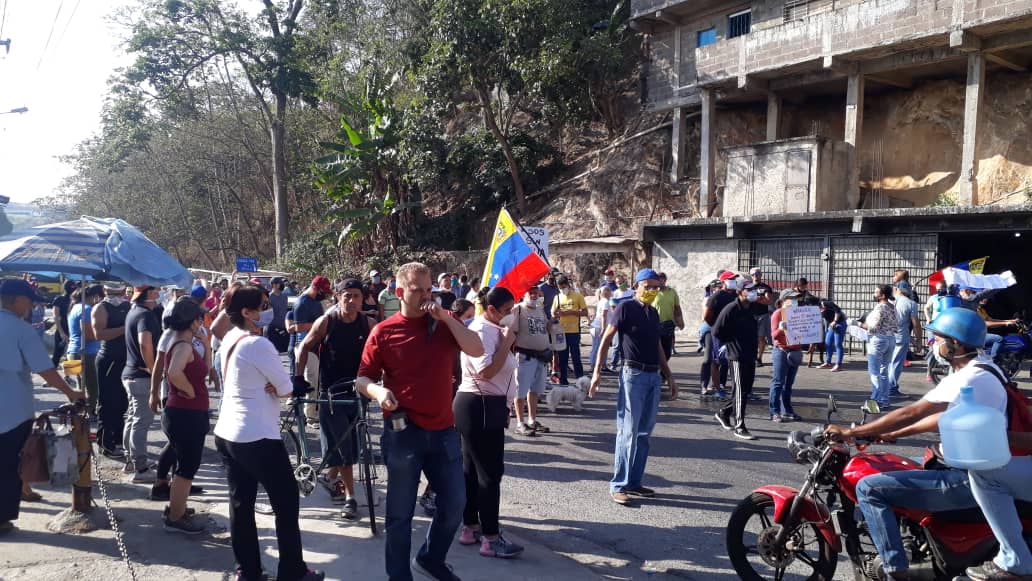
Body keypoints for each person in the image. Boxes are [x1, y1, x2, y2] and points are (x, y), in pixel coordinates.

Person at [825, 308, 1007, 581]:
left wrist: (853, 432)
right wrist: (892, 433)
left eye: (938, 339)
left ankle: (894, 570)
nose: (934, 344)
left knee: (869, 488)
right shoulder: (987, 368)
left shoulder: (968, 377)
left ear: (955, 344)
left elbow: (913, 411)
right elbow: (943, 418)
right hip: (980, 469)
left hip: (968, 479)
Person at [356, 262, 484, 581]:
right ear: (400, 292)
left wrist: (447, 318)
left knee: (455, 503)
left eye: (430, 289)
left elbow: (477, 349)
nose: (427, 296)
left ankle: (430, 558)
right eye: (418, 290)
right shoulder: (383, 332)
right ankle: (399, 576)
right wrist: (378, 390)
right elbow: (362, 379)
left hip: (443, 431)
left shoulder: (443, 324)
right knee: (400, 515)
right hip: (403, 433)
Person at [213, 285, 324, 581]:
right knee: (286, 504)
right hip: (256, 436)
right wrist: (279, 387)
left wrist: (275, 386)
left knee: (241, 503)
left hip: (228, 432)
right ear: (247, 313)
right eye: (263, 305)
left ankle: (248, 570)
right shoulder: (258, 345)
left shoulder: (230, 338)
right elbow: (287, 388)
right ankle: (293, 571)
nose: (268, 308)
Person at [0, 280, 85, 535]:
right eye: (29, 300)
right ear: (16, 300)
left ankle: (15, 500)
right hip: (13, 408)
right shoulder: (21, 329)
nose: (32, 305)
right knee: (9, 464)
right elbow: (45, 369)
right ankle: (2, 517)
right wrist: (71, 392)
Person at [589, 268, 678, 506]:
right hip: (633, 374)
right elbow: (606, 338)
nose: (651, 291)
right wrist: (597, 371)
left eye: (655, 287)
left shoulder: (653, 314)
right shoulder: (625, 308)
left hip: (652, 376)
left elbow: (658, 345)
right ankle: (618, 485)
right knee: (627, 432)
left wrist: (668, 375)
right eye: (646, 286)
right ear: (636, 285)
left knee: (644, 434)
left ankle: (634, 482)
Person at [295, 279, 375, 520]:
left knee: (352, 443)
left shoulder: (368, 324)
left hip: (359, 391)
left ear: (363, 299)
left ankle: (329, 478)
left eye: (356, 296)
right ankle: (351, 498)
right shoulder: (326, 322)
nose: (351, 301)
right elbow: (304, 347)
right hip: (330, 394)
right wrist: (298, 378)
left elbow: (381, 353)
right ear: (338, 297)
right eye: (346, 295)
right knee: (343, 446)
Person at [454, 287, 524, 558]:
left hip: (485, 405)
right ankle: (491, 538)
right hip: (479, 404)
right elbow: (486, 370)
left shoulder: (492, 328)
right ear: (491, 309)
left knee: (473, 471)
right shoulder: (483, 330)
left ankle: (470, 527)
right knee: (490, 474)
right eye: (507, 312)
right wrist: (507, 342)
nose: (510, 317)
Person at [153, 299, 210, 535]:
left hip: (188, 412)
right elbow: (173, 373)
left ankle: (178, 508)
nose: (202, 322)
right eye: (199, 318)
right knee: (187, 467)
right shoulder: (183, 346)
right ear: (192, 321)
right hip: (185, 413)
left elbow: (205, 369)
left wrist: (207, 345)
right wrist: (188, 389)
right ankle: (176, 516)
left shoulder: (185, 342)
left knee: (187, 465)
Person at [122, 285, 162, 482]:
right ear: (149, 294)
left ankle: (131, 460)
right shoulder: (145, 315)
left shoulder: (133, 312)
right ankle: (141, 467)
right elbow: (145, 342)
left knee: (132, 417)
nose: (160, 292)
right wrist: (153, 368)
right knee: (141, 420)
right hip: (141, 375)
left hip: (130, 373)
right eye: (156, 289)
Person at [712, 278, 760, 440]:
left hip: (750, 354)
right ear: (740, 292)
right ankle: (740, 426)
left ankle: (724, 412)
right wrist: (730, 342)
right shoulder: (731, 308)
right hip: (737, 355)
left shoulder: (752, 308)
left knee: (745, 391)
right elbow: (717, 331)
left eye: (754, 289)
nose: (753, 292)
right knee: (739, 391)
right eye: (750, 289)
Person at [92, 283, 131, 458]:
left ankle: (117, 440)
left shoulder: (128, 306)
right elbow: (99, 334)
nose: (116, 294)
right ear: (105, 292)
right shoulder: (100, 308)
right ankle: (105, 443)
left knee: (123, 402)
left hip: (126, 360)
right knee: (108, 402)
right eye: (112, 291)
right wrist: (125, 329)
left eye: (119, 291)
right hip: (108, 360)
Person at [511, 286, 553, 437]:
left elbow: (546, 329)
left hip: (541, 356)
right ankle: (520, 423)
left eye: (536, 292)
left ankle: (532, 420)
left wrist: (553, 319)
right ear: (524, 294)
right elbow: (511, 332)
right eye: (531, 292)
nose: (534, 295)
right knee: (520, 391)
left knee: (535, 391)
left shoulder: (540, 309)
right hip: (524, 356)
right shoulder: (518, 310)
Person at [293, 276, 331, 426]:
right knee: (311, 382)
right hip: (305, 347)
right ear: (316, 287)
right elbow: (299, 327)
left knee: (318, 381)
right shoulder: (302, 303)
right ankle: (310, 417)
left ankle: (316, 412)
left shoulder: (315, 302)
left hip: (317, 346)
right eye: (323, 291)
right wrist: (319, 325)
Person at [855, 284, 898, 409]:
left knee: (874, 373)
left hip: (878, 341)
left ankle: (874, 401)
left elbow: (873, 328)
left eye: (876, 292)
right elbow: (896, 326)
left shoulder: (880, 308)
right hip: (890, 340)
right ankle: (884, 400)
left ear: (882, 295)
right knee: (884, 372)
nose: (874, 294)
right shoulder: (892, 307)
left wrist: (857, 323)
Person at [67, 284, 104, 414]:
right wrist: (103, 334)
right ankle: (91, 410)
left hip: (72, 351)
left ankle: (78, 410)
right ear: (94, 297)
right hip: (86, 353)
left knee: (79, 385)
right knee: (92, 385)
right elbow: (88, 334)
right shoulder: (86, 309)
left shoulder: (74, 307)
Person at [767, 294, 803, 423]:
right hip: (782, 351)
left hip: (795, 351)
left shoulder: (798, 314)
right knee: (778, 382)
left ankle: (787, 410)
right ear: (783, 301)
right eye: (791, 299)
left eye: (795, 299)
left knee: (788, 384)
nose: (794, 301)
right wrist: (781, 329)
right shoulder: (777, 313)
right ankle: (774, 411)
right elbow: (774, 335)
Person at [552, 275, 588, 386]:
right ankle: (563, 380)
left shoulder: (578, 296)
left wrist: (571, 312)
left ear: (568, 285)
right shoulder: (557, 297)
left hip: (574, 331)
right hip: (561, 332)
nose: (563, 289)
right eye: (560, 287)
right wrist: (557, 314)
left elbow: (585, 312)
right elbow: (553, 313)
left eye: (564, 286)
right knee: (562, 357)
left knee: (576, 356)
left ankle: (580, 381)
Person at [889, 282, 921, 398]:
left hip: (887, 336)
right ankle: (891, 389)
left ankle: (885, 388)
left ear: (897, 289)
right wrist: (918, 341)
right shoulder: (911, 304)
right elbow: (916, 324)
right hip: (901, 337)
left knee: (888, 363)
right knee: (896, 363)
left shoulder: (889, 302)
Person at [654, 273, 684, 362]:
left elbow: (677, 308)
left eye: (662, 279)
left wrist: (680, 321)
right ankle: (658, 371)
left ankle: (662, 371)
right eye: (658, 279)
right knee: (656, 350)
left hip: (668, 324)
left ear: (665, 280)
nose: (660, 281)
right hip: (655, 324)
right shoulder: (652, 292)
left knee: (667, 352)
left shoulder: (672, 292)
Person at [749, 268, 775, 367]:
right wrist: (760, 298)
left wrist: (755, 299)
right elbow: (744, 300)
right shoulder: (747, 287)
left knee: (761, 338)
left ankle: (759, 358)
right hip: (750, 316)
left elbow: (768, 301)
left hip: (762, 316)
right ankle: (752, 356)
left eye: (758, 273)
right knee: (751, 338)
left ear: (761, 275)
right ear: (751, 275)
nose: (755, 275)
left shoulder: (766, 287)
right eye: (753, 274)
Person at [50, 280, 78, 366]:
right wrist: (61, 332)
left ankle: (68, 375)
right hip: (62, 329)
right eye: (73, 287)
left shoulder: (76, 300)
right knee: (57, 354)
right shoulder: (59, 299)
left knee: (71, 355)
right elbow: (56, 316)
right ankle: (51, 375)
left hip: (73, 330)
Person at [817, 299, 847, 371]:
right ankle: (828, 363)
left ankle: (838, 365)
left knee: (838, 344)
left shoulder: (824, 303)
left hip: (839, 323)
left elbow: (837, 310)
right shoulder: (817, 308)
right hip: (831, 325)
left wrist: (835, 321)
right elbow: (825, 318)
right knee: (828, 343)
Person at [588, 285, 612, 369]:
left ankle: (603, 365)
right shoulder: (605, 301)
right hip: (599, 327)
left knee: (604, 346)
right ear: (606, 292)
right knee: (597, 346)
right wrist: (603, 328)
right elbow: (603, 315)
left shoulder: (602, 301)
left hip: (598, 327)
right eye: (609, 291)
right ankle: (593, 365)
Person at [266, 278, 291, 354]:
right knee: (275, 352)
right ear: (274, 285)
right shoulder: (268, 297)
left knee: (286, 351)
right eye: (280, 283)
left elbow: (285, 310)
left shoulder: (284, 296)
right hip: (273, 329)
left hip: (285, 327)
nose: (282, 285)